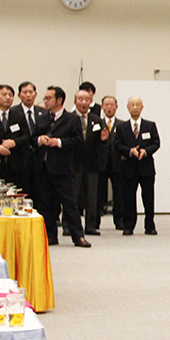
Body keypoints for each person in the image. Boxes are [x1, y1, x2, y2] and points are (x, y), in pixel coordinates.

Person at [34, 86, 91, 247]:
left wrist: (59, 142)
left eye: (48, 98)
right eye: (45, 98)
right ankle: (50, 235)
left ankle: (78, 236)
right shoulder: (42, 117)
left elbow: (78, 141)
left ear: (59, 100)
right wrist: (40, 140)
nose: (45, 101)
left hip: (62, 168)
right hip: (43, 167)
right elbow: (33, 138)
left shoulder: (71, 119)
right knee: (46, 204)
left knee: (69, 203)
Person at [114, 96, 160, 236]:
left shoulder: (150, 125)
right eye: (132, 105)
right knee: (129, 198)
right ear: (128, 107)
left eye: (137, 105)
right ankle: (129, 225)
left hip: (146, 168)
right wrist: (130, 151)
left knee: (148, 198)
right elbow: (117, 145)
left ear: (142, 107)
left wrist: (145, 151)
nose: (135, 107)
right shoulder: (122, 127)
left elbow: (156, 143)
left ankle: (150, 225)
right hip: (128, 168)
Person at [72, 89, 106, 235]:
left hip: (92, 165)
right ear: (75, 102)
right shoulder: (69, 118)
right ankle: (70, 225)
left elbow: (101, 144)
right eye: (81, 99)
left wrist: (104, 141)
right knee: (72, 196)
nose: (84, 102)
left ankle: (91, 226)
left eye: (87, 99)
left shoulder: (96, 120)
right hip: (73, 164)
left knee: (92, 197)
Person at [13, 81, 47, 201]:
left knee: (41, 194)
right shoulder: (13, 112)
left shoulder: (43, 112)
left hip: (40, 160)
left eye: (30, 92)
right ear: (19, 95)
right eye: (25, 92)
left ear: (35, 94)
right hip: (20, 160)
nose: (28, 95)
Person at [97, 96, 124, 230]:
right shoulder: (97, 123)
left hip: (117, 163)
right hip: (100, 163)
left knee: (119, 193)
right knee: (98, 192)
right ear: (102, 107)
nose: (109, 107)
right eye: (106, 105)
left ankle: (119, 220)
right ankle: (95, 221)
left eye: (111, 105)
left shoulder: (122, 125)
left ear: (116, 107)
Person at [0, 84, 19, 181]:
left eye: (10, 95)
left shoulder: (18, 116)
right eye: (4, 95)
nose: (8, 97)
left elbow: (26, 135)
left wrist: (14, 142)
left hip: (16, 164)